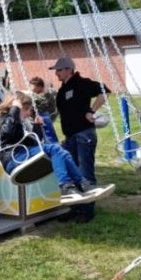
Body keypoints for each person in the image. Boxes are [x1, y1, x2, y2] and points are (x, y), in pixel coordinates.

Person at [0, 91, 113, 203]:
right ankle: (66, 187)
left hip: (22, 155)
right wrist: (15, 108)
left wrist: (37, 126)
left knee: (63, 152)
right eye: (25, 109)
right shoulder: (3, 118)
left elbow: (34, 144)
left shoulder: (15, 120)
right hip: (13, 160)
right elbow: (7, 132)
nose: (27, 114)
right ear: (15, 106)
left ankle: (83, 184)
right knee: (55, 149)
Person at [51, 56, 111, 223]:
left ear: (69, 69)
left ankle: (87, 211)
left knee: (85, 172)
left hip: (84, 135)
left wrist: (91, 111)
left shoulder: (82, 83)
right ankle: (75, 209)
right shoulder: (62, 90)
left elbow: (105, 91)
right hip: (70, 137)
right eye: (56, 70)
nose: (56, 73)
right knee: (72, 173)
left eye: (59, 70)